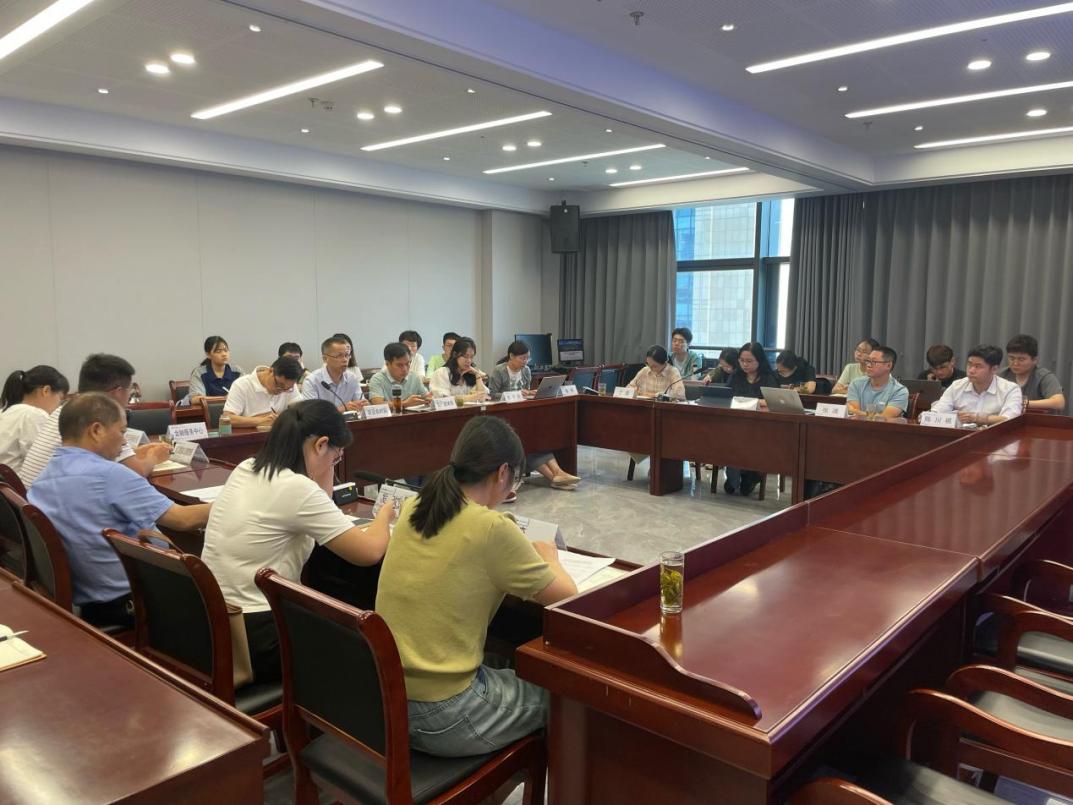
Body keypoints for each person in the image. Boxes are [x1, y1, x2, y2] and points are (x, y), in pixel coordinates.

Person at [375, 416, 576, 758]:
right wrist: (550, 558)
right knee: (564, 697)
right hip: (443, 714)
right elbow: (568, 597)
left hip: (388, 697)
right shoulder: (491, 528)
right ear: (503, 473)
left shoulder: (415, 506)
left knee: (503, 659)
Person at [201, 400, 392, 682]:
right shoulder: (296, 488)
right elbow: (370, 552)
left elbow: (321, 503)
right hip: (258, 635)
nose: (335, 463)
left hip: (213, 619)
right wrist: (385, 513)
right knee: (365, 642)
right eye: (336, 456)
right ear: (320, 444)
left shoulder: (247, 467)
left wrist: (326, 464)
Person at [28, 393, 211, 628]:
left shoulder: (42, 479)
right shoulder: (109, 475)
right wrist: (233, 500)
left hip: (93, 605)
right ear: (96, 430)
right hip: (138, 602)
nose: (124, 442)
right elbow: (183, 520)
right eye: (122, 432)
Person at [19, 354, 170, 488]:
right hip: (56, 505)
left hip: (33, 501)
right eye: (129, 390)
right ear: (118, 392)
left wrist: (138, 452)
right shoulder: (102, 417)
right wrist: (154, 457)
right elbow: (137, 472)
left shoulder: (67, 409)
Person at [488, 341, 580, 498]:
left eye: (527, 358)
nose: (525, 362)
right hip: (505, 418)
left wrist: (531, 393)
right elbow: (491, 395)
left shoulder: (526, 371)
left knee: (536, 441)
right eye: (522, 358)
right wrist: (516, 394)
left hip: (523, 415)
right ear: (511, 356)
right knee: (528, 444)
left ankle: (558, 474)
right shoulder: (499, 370)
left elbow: (526, 391)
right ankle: (556, 476)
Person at [724, 342, 779, 496]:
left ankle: (752, 473)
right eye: (742, 360)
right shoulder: (736, 376)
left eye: (749, 361)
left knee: (748, 440)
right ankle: (734, 475)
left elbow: (774, 402)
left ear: (759, 360)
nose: (745, 364)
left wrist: (747, 401)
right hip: (736, 424)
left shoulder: (769, 377)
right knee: (725, 436)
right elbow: (727, 396)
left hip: (761, 427)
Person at [0, 366, 69, 475]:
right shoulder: (33, 414)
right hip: (19, 483)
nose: (58, 406)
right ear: (46, 391)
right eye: (60, 399)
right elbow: (42, 460)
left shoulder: (5, 411)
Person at [931, 345, 1023, 425]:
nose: (971, 370)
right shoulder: (957, 386)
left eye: (977, 366)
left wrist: (978, 418)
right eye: (969, 364)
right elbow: (937, 412)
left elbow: (1010, 419)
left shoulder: (1010, 389)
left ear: (994, 369)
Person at [222, 356, 303, 428]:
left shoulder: (289, 386)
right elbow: (227, 419)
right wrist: (261, 421)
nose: (281, 391)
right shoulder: (241, 384)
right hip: (250, 437)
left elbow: (302, 412)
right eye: (279, 385)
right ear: (270, 371)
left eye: (287, 388)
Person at [1000, 334, 1065, 412]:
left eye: (1021, 359)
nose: (1015, 363)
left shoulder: (1044, 377)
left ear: (1034, 360)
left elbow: (1059, 403)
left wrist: (1024, 403)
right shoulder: (1001, 375)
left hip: (1037, 418)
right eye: (1012, 358)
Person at [302, 336, 366, 413]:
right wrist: (342, 408)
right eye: (339, 356)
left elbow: (361, 404)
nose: (345, 360)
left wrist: (363, 405)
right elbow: (311, 413)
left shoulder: (352, 378)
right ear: (325, 359)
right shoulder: (311, 381)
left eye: (347, 355)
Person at [846, 346, 909, 419]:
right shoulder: (856, 384)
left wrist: (858, 412)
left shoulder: (899, 391)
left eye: (874, 362)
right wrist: (867, 415)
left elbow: (882, 418)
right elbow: (853, 415)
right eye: (868, 361)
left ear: (888, 365)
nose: (868, 365)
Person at [368, 343, 429, 409]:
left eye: (407, 363)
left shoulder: (414, 377)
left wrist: (429, 399)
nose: (405, 369)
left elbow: (426, 396)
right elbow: (378, 404)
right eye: (399, 365)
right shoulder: (377, 379)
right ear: (387, 364)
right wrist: (405, 403)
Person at [429, 337, 489, 401]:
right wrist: (471, 397)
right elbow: (444, 400)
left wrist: (477, 375)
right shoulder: (442, 373)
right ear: (455, 354)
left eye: (471, 357)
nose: (469, 361)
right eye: (465, 356)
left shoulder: (471, 374)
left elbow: (482, 398)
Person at [188, 336, 244, 404]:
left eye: (226, 350)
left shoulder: (237, 371)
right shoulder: (199, 373)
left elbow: (247, 394)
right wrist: (225, 398)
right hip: (208, 410)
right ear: (208, 355)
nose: (224, 354)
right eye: (218, 351)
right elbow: (195, 399)